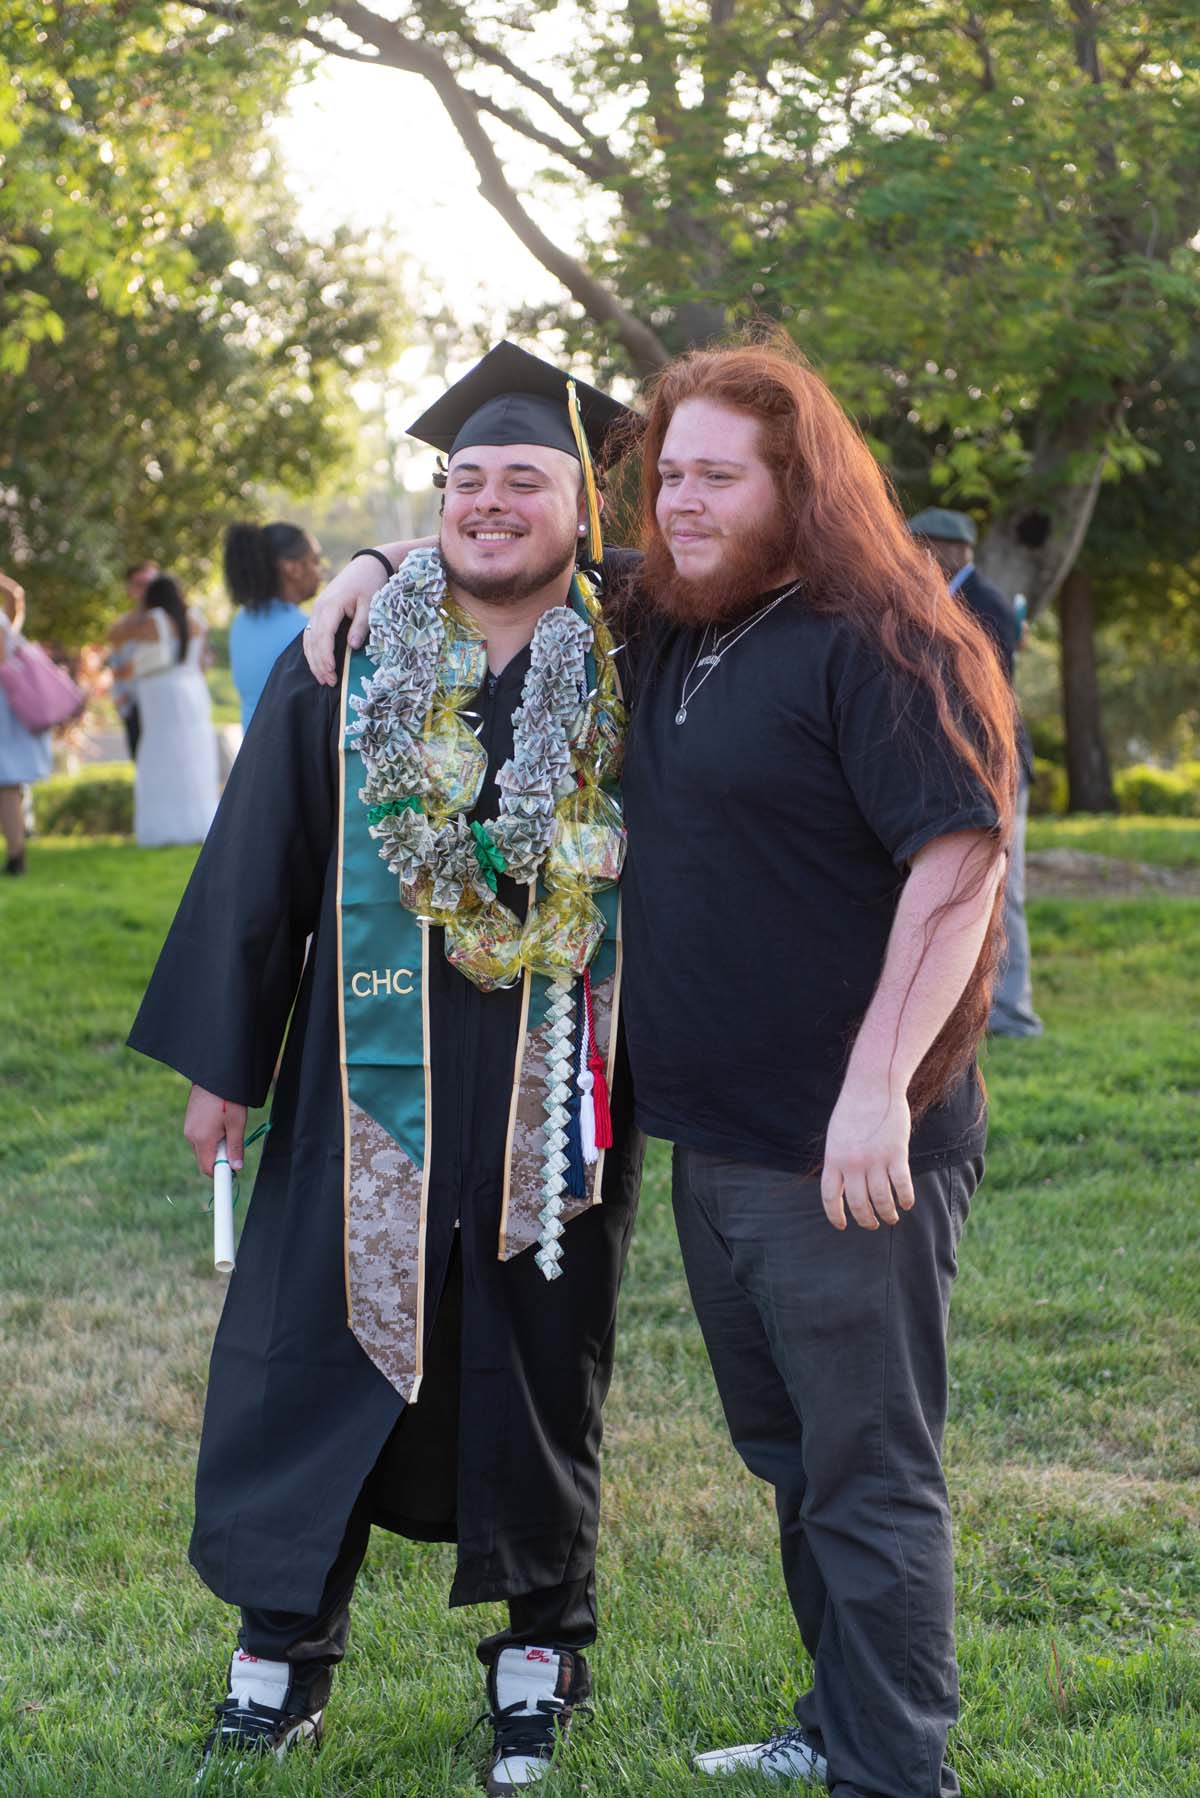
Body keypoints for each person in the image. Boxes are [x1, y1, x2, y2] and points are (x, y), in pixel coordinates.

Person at [306, 335, 1019, 1798]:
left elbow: (957, 860)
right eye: (669, 473)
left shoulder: (882, 636)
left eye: (719, 477)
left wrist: (881, 1083)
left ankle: (898, 1771)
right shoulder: (680, 622)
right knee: (795, 1457)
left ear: (797, 482)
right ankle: (841, 1721)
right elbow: (509, 550)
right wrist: (375, 559)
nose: (682, 502)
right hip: (722, 1139)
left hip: (850, 1148)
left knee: (869, 1471)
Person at [128, 344, 645, 1794]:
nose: (490, 503)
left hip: (556, 1093)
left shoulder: (633, 657)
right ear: (435, 506)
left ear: (584, 505)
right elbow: (259, 862)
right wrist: (223, 1065)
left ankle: (538, 1662)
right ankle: (277, 1656)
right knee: (311, 1354)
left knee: (544, 1369)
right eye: (464, 480)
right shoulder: (350, 655)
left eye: (525, 478)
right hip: (364, 1085)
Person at [908, 506, 1043, 1039]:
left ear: (943, 550)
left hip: (996, 762)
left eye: (917, 547)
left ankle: (1015, 1013)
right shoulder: (960, 599)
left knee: (1003, 888)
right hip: (978, 762)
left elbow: (981, 697)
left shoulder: (980, 604)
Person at [110, 573, 219, 847]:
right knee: (194, 756)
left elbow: (114, 635)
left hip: (161, 691)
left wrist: (138, 609)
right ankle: (197, 824)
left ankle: (164, 829)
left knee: (160, 756)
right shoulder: (197, 619)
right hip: (193, 687)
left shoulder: (153, 620)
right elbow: (204, 662)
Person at [223, 521, 323, 728]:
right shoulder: (308, 631)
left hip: (250, 755)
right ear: (292, 568)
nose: (320, 571)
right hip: (290, 756)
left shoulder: (241, 622)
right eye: (315, 560)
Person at [0, 570, 53, 876]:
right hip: (10, 709)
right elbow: (15, 596)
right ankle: (16, 849)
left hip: (5, 709)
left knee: (6, 783)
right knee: (9, 784)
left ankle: (16, 854)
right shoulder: (7, 619)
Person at [107, 561, 159, 759]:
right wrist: (122, 703)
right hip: (136, 705)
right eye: (141, 584)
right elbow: (118, 668)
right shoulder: (122, 626)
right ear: (131, 589)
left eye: (153, 583)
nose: (147, 589)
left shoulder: (174, 622)